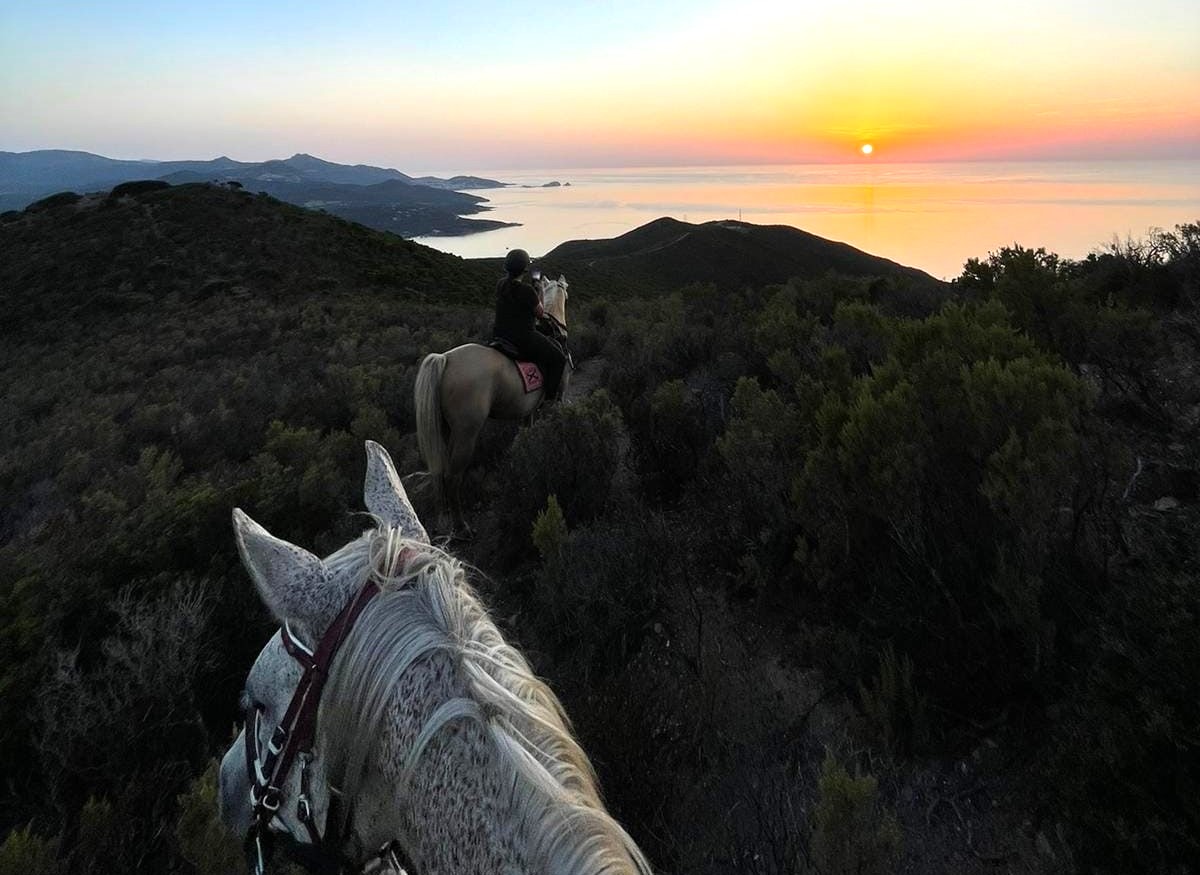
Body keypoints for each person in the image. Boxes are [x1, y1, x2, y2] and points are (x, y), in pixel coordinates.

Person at [492, 248, 566, 402]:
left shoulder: (500, 284)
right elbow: (540, 313)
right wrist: (540, 291)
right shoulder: (527, 290)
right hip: (522, 338)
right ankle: (550, 402)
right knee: (558, 359)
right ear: (524, 270)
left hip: (499, 334)